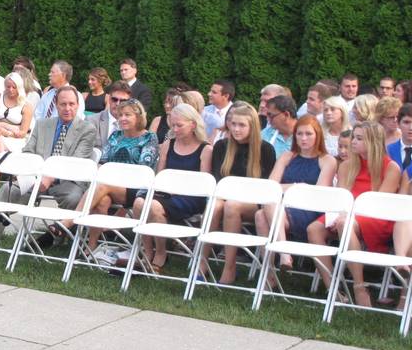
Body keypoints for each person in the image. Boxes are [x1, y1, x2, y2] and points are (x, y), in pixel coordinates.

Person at [0, 86, 97, 253]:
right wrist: (31, 175)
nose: (67, 108)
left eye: (72, 104)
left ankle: (55, 236)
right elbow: (29, 152)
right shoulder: (43, 125)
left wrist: (49, 177)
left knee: (75, 198)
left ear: (78, 105)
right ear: (56, 105)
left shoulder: (87, 129)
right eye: (63, 104)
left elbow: (76, 161)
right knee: (8, 189)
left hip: (68, 180)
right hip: (37, 177)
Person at [307, 122, 401, 307]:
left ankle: (359, 287)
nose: (353, 142)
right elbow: (341, 197)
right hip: (346, 213)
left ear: (373, 141)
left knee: (344, 224)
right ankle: (332, 288)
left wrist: (346, 216)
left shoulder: (391, 168)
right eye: (353, 138)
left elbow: (378, 204)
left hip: (374, 217)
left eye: (359, 138)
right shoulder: (346, 166)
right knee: (313, 229)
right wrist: (341, 214)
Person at [57, 98, 158, 248]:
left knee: (103, 185)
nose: (122, 118)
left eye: (127, 115)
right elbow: (102, 162)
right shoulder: (116, 136)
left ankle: (70, 221)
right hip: (108, 187)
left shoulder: (149, 138)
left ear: (138, 117)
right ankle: (92, 246)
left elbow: (144, 169)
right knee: (102, 200)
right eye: (121, 114)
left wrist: (113, 175)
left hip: (135, 189)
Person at [202, 101, 277, 284]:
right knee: (215, 205)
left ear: (253, 126)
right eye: (233, 124)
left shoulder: (265, 149)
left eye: (242, 125)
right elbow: (218, 180)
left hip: (254, 202)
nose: (236, 129)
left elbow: (266, 187)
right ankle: (202, 261)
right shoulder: (222, 146)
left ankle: (229, 266)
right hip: (225, 197)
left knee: (231, 206)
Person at [132, 103, 212, 270]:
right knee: (139, 202)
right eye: (172, 125)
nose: (175, 129)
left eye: (179, 125)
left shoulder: (205, 150)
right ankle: (147, 250)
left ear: (193, 124)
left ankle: (161, 252)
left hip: (190, 197)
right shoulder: (169, 144)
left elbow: (204, 184)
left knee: (153, 206)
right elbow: (160, 175)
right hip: (166, 192)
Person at [254, 115, 337, 273]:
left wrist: (287, 189)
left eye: (308, 134)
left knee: (264, 211)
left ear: (317, 135)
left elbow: (317, 193)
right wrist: (297, 186)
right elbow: (271, 187)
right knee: (262, 213)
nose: (303, 138)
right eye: (299, 134)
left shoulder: (327, 160)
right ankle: (272, 269)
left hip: (310, 211)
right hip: (282, 210)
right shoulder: (287, 156)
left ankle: (279, 261)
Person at [0, 72, 35, 190]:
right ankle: (4, 158)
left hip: (15, 139)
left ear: (20, 87)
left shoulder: (26, 105)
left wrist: (5, 129)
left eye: (14, 87)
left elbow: (23, 132)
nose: (11, 90)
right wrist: (4, 126)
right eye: (8, 86)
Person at [91, 81, 132, 152]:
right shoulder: (92, 121)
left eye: (123, 101)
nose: (118, 103)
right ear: (109, 99)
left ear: (129, 103)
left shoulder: (133, 126)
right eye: (114, 99)